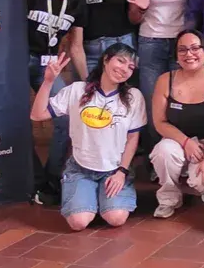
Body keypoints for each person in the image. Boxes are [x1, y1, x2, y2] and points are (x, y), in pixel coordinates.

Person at [31, 44, 145, 230]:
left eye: (131, 67)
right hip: (81, 168)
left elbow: (133, 138)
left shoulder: (134, 97)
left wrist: (122, 172)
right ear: (106, 60)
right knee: (78, 223)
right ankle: (89, 197)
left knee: (116, 218)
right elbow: (37, 115)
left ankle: (103, 200)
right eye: (120, 61)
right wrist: (48, 82)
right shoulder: (77, 90)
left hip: (114, 169)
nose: (124, 69)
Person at [27, 0, 89, 205]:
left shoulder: (76, 0)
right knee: (15, 123)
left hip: (49, 65)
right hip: (19, 59)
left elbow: (76, 47)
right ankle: (34, 182)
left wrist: (89, 84)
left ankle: (52, 178)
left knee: (64, 118)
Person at [149, 30, 204, 215]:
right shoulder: (165, 80)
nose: (189, 54)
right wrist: (186, 142)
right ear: (176, 56)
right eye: (182, 50)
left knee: (202, 181)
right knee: (163, 152)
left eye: (195, 48)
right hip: (177, 140)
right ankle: (169, 197)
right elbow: (160, 122)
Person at [127, 0, 198, 146]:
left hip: (180, 45)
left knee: (180, 99)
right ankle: (154, 154)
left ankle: (180, 150)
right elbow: (133, 19)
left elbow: (194, 11)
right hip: (151, 42)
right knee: (153, 100)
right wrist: (141, 8)